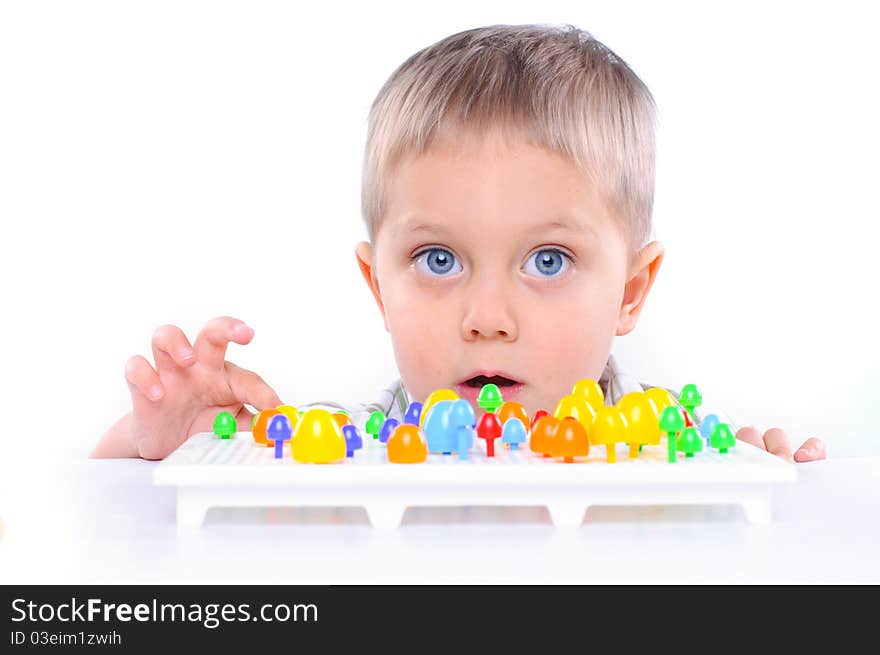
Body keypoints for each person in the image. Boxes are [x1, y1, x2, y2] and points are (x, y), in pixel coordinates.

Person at [91, 24, 826, 463]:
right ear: (379, 285)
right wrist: (158, 443)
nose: (487, 316)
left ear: (631, 290)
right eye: (438, 260)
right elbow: (108, 522)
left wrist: (764, 486)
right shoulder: (346, 447)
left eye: (548, 260)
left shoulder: (678, 449)